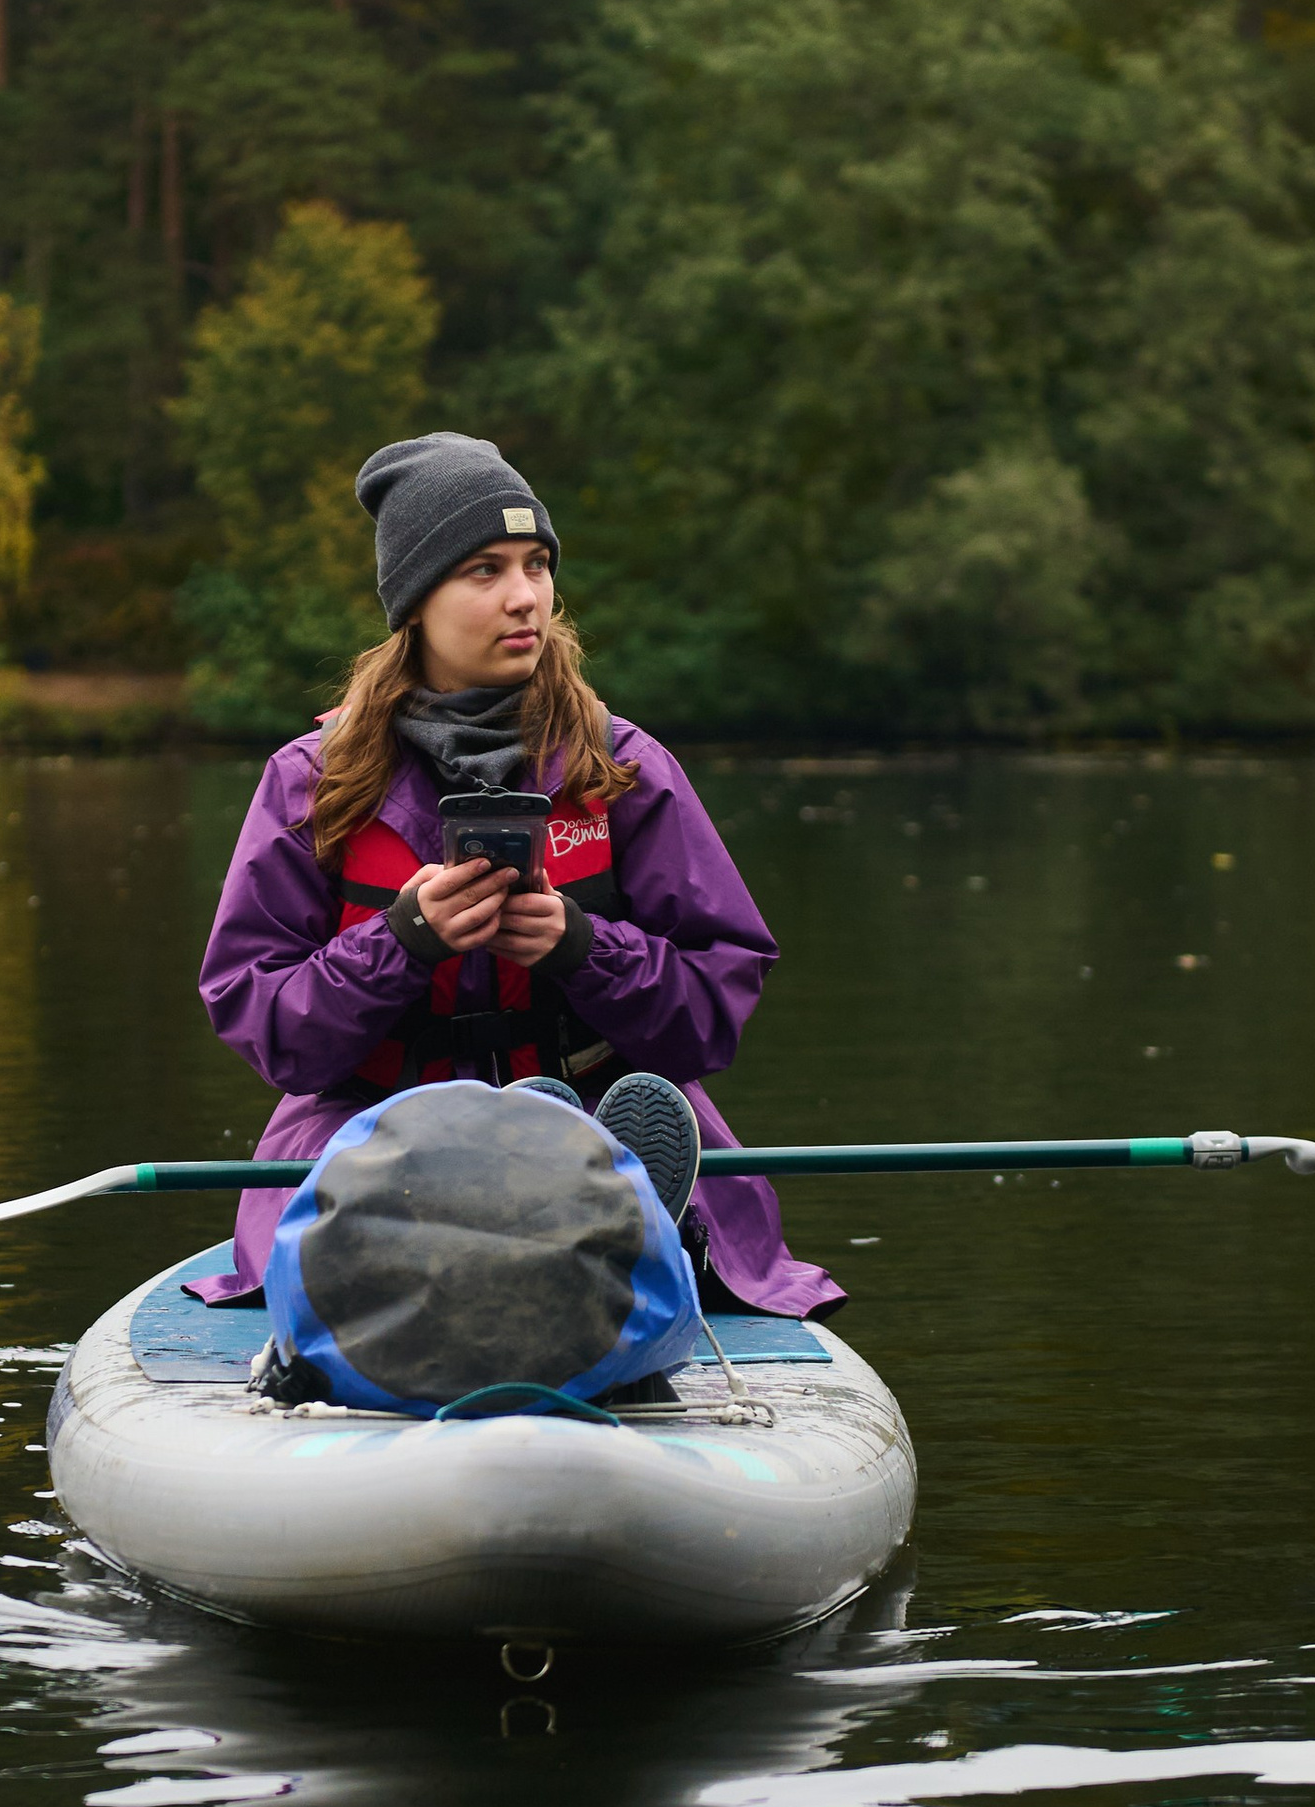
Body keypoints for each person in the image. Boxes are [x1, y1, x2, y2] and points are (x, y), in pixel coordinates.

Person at [192, 429, 840, 1323]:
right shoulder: (311, 781)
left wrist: (584, 948)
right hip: (369, 1128)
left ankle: (603, 1196)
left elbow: (715, 1012)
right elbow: (267, 1025)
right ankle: (533, 1210)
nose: (524, 597)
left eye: (536, 565)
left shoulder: (626, 769)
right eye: (485, 571)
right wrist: (401, 944)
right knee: (402, 1237)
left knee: (591, 1166)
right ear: (415, 601)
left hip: (603, 1097)